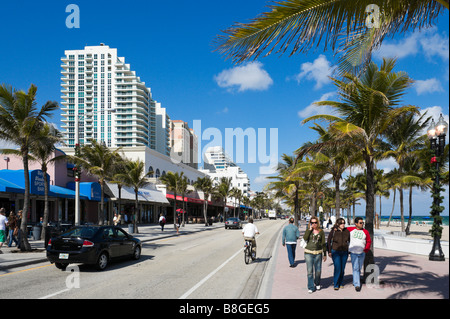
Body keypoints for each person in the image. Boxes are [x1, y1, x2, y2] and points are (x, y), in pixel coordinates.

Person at [303, 216, 327, 293]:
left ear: (317, 223)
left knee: (318, 271)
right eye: (312, 223)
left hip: (318, 253)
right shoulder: (308, 230)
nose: (314, 224)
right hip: (308, 253)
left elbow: (323, 243)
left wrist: (325, 254)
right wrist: (309, 230)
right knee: (310, 271)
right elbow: (305, 238)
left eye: (315, 222)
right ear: (310, 223)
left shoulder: (321, 231)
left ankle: (317, 282)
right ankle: (310, 287)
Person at [347, 217, 372, 292]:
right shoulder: (350, 229)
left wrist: (366, 250)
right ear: (356, 223)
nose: (362, 224)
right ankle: (357, 285)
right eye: (360, 223)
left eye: (362, 223)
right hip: (353, 253)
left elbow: (369, 241)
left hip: (362, 253)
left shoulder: (365, 232)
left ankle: (355, 282)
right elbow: (341, 229)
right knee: (355, 268)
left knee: (359, 268)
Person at [327, 217, 350, 290]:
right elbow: (328, 241)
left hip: (344, 252)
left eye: (344, 223)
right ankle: (336, 284)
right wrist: (329, 251)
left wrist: (349, 249)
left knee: (342, 269)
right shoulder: (334, 231)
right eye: (341, 223)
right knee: (337, 268)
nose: (343, 224)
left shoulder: (347, 231)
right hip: (335, 251)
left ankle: (341, 283)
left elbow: (349, 241)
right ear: (338, 224)